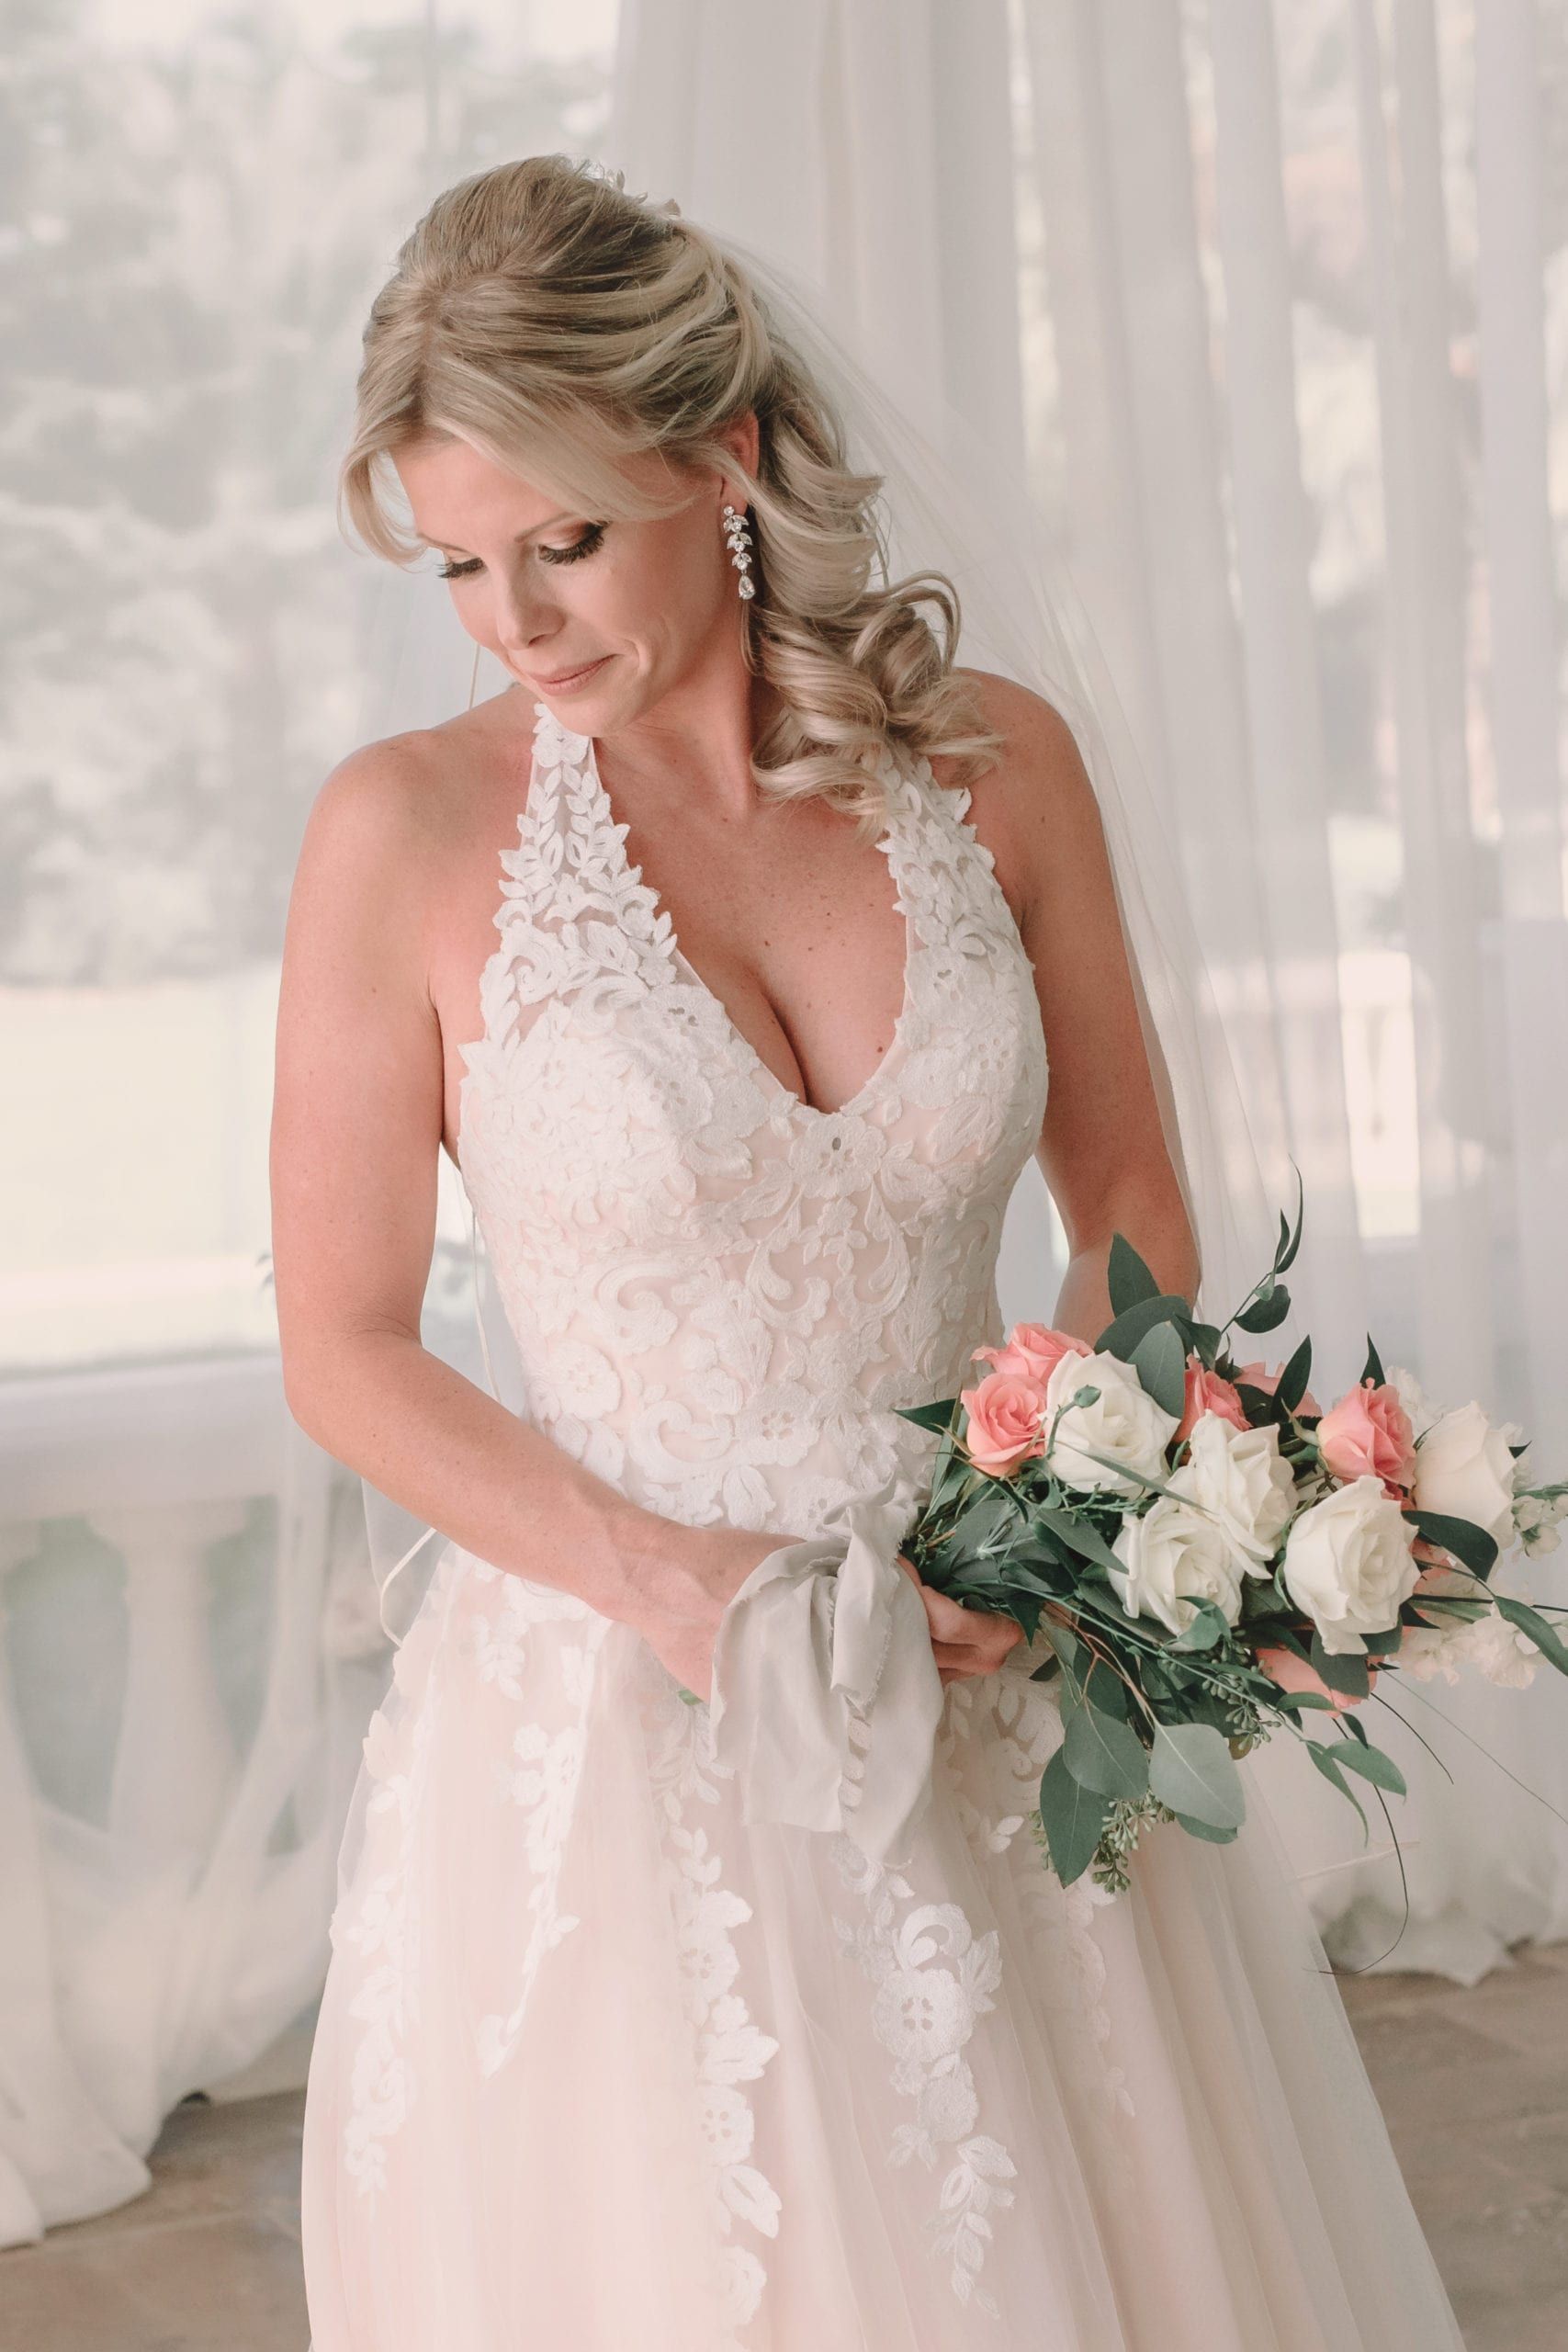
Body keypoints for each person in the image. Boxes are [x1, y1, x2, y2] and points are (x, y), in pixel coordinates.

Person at [274, 155, 1468, 2350]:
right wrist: (672, 1578)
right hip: (626, 1714)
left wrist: (1071, 1532)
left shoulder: (997, 767)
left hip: (992, 1659)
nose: (515, 624)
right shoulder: (407, 835)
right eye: (456, 563)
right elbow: (344, 1347)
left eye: (562, 541)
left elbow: (1126, 1213)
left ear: (720, 455)